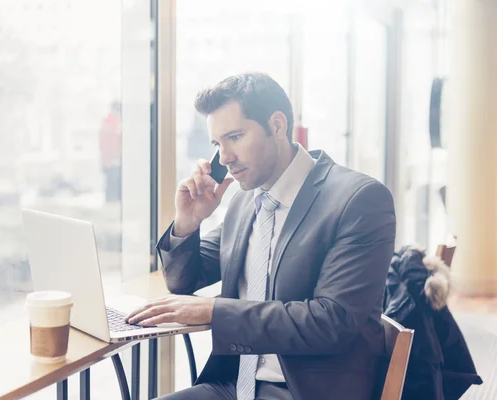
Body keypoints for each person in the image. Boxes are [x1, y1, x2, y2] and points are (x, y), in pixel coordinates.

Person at [125, 73, 396, 400]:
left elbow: (332, 322)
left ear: (278, 125)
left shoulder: (358, 200)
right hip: (233, 385)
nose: (224, 157)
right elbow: (184, 281)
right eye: (217, 144)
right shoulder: (245, 200)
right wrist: (187, 222)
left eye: (235, 137)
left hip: (304, 391)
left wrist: (214, 312)